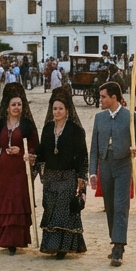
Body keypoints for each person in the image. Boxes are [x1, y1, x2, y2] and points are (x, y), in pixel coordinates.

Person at [89, 81, 136, 266]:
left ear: (114, 97)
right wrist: (92, 171)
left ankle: (118, 247)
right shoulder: (99, 118)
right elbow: (94, 147)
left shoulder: (131, 117)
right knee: (110, 206)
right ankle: (115, 240)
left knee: (121, 205)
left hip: (123, 165)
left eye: (103, 97)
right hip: (105, 165)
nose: (100, 100)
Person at [0, 83, 39, 254]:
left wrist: (23, 151)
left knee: (17, 201)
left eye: (19, 104)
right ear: (7, 107)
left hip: (20, 169)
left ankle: (14, 240)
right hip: (4, 170)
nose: (17, 107)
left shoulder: (27, 125)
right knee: (5, 201)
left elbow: (35, 146)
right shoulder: (1, 125)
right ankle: (5, 239)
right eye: (13, 104)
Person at [37, 86, 88, 259]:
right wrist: (33, 158)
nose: (57, 112)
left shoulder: (76, 130)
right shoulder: (47, 129)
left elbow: (82, 155)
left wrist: (81, 177)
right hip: (51, 176)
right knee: (51, 209)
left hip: (68, 176)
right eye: (54, 109)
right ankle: (51, 245)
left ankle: (63, 248)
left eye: (60, 108)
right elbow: (42, 153)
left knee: (64, 210)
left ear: (67, 110)